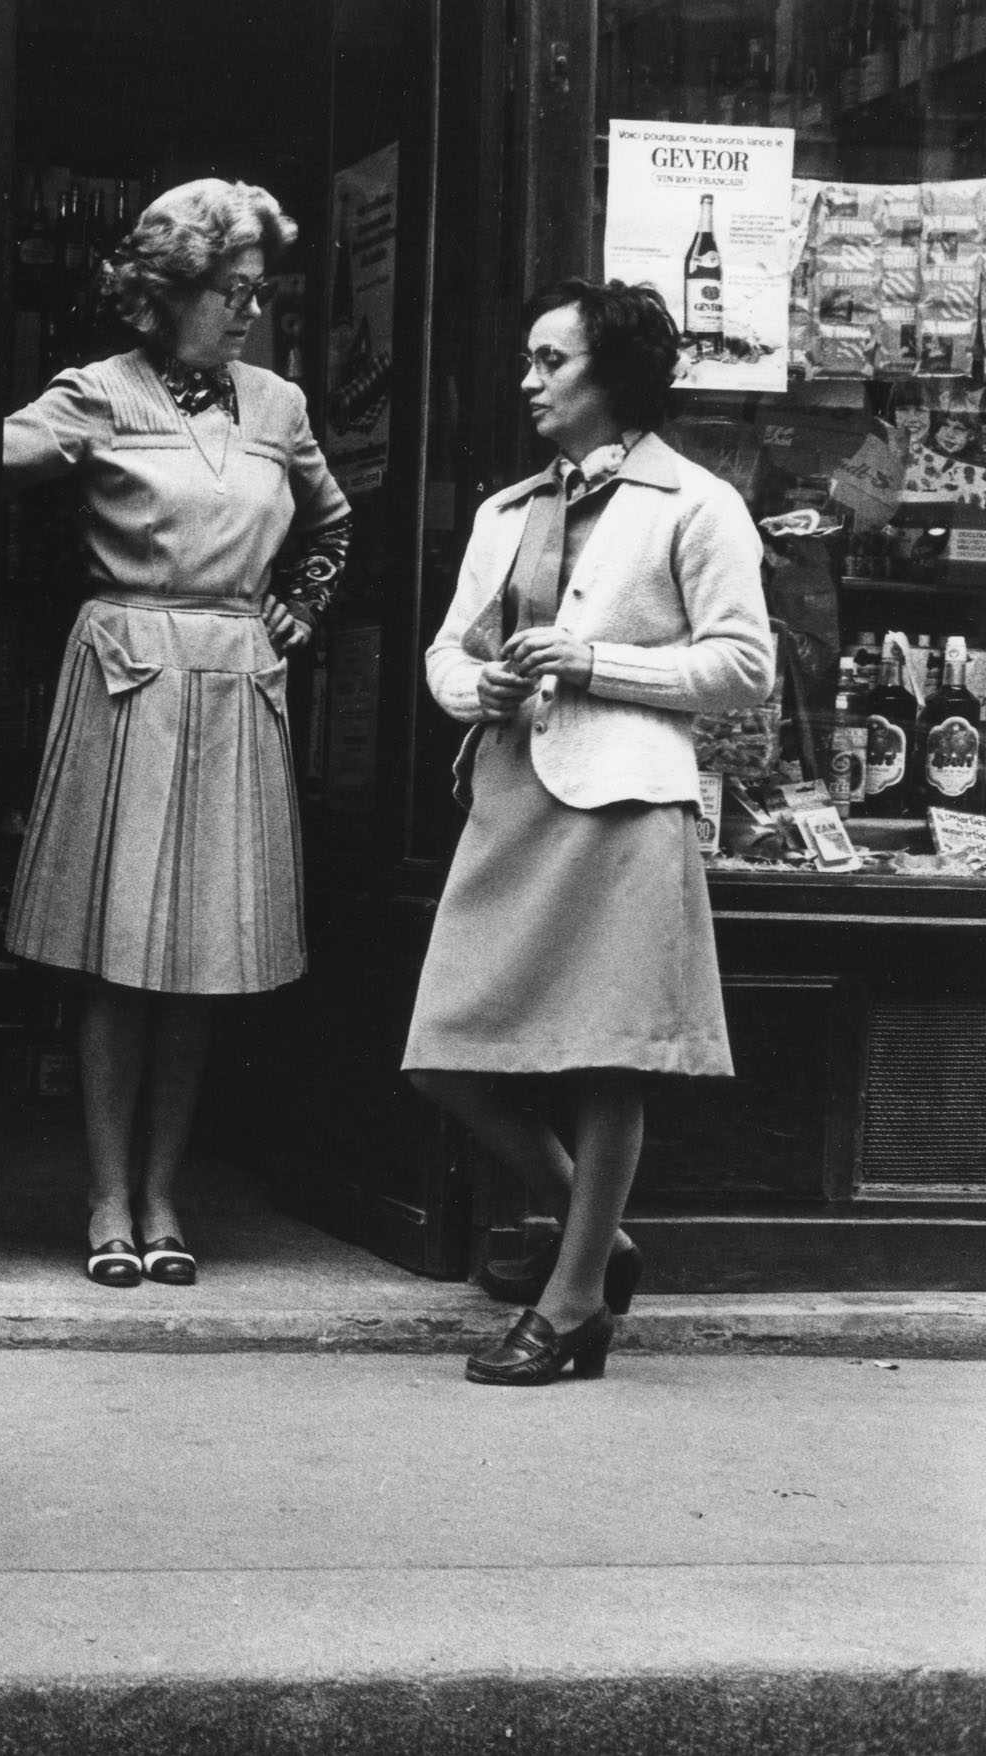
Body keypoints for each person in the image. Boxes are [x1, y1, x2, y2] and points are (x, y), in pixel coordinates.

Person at [402, 278, 773, 1385]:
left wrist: (593, 661)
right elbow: (445, 652)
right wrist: (482, 692)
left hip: (624, 802)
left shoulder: (696, 504)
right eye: (529, 360)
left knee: (610, 1065)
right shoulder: (509, 512)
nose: (530, 381)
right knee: (446, 1056)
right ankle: (598, 1242)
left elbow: (745, 668)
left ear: (613, 376)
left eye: (550, 361)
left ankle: (571, 1310)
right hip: (514, 795)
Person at [0, 179, 352, 1289]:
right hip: (127, 679)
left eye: (259, 291)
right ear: (167, 294)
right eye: (229, 291)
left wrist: (300, 608)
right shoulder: (97, 392)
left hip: (235, 677)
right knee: (117, 959)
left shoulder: (279, 405)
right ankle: (105, 1196)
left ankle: (163, 1194)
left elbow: (333, 522)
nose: (249, 311)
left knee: (199, 958)